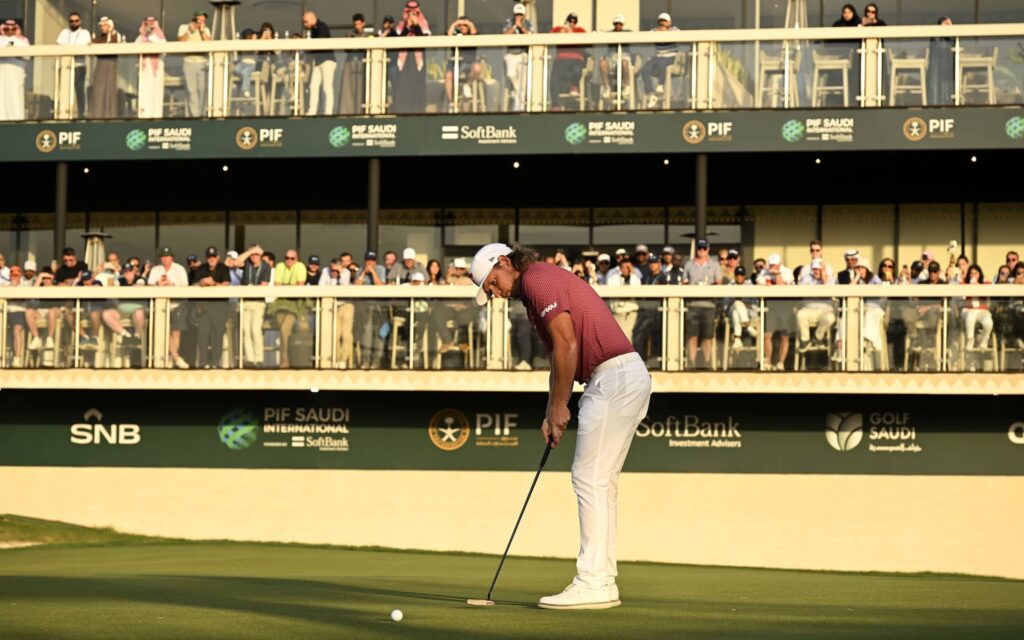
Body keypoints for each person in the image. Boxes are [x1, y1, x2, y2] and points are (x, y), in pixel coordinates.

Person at [470, 242, 651, 610]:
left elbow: (568, 344)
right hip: (618, 378)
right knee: (600, 483)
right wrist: (551, 410)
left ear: (504, 262)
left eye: (491, 283)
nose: (494, 293)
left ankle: (593, 582)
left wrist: (559, 406)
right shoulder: (533, 292)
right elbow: (558, 356)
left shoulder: (537, 278)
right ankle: (602, 580)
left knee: (589, 479)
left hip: (613, 378)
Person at [147, 246, 191, 368]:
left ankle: (171, 360)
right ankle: (176, 358)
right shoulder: (155, 270)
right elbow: (149, 287)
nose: (165, 259)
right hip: (160, 307)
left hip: (177, 304)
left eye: (167, 256)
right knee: (164, 331)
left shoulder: (179, 269)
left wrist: (172, 285)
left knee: (175, 333)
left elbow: (185, 287)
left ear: (172, 257)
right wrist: (158, 284)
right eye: (163, 257)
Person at [682, 238, 722, 369]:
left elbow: (719, 283)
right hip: (692, 304)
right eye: (699, 248)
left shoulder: (715, 265)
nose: (702, 250)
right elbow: (683, 283)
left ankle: (706, 363)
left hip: (709, 305)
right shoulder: (688, 265)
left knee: (707, 336)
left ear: (708, 249)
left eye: (704, 248)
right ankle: (691, 363)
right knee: (692, 335)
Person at [191, 246, 231, 368]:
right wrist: (202, 283)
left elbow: (227, 284)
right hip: (204, 307)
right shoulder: (202, 268)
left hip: (220, 307)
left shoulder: (223, 268)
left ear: (218, 257)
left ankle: (215, 362)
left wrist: (213, 284)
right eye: (209, 256)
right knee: (203, 335)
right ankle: (203, 362)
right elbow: (193, 285)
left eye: (214, 256)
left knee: (217, 335)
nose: (211, 259)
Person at [393, 1, 431, 114]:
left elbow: (424, 39)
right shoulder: (401, 25)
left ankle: (417, 112)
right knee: (403, 86)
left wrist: (416, 26)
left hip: (417, 60)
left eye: (414, 13)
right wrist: (407, 27)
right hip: (404, 60)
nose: (412, 15)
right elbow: (398, 39)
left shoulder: (423, 23)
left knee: (417, 86)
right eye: (409, 13)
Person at [239, 245, 272, 367]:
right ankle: (249, 359)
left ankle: (258, 359)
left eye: (256, 254)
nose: (253, 257)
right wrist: (250, 251)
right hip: (245, 302)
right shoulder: (247, 264)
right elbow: (236, 262)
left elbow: (264, 285)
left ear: (261, 255)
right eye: (252, 254)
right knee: (246, 331)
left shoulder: (266, 267)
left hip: (258, 302)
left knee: (255, 330)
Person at [56, 12, 91, 118]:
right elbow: (58, 46)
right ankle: (63, 114)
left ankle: (81, 114)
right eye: (71, 21)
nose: (74, 23)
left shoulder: (85, 33)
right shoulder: (64, 32)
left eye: (76, 21)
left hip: (79, 66)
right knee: (64, 91)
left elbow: (85, 47)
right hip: (65, 67)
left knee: (79, 91)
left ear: (80, 21)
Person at [177, 11, 211, 118]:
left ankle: (202, 113)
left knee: (202, 89)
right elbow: (180, 42)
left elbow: (210, 44)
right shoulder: (184, 27)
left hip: (202, 62)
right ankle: (194, 115)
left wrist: (202, 32)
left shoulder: (206, 30)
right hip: (189, 61)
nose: (201, 22)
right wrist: (189, 31)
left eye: (203, 20)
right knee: (191, 89)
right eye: (199, 19)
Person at [549, 13, 587, 110]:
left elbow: (584, 39)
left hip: (576, 59)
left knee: (577, 69)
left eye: (574, 22)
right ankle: (556, 105)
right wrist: (562, 32)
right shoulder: (558, 29)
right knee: (554, 79)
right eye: (570, 21)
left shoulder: (580, 30)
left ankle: (574, 85)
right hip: (561, 60)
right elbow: (550, 36)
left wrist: (570, 32)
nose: (572, 23)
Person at [89, 17, 124, 119]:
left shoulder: (116, 35)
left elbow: (116, 46)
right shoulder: (100, 37)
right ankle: (97, 115)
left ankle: (110, 115)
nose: (102, 28)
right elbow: (93, 46)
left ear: (110, 26)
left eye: (104, 25)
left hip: (111, 64)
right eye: (101, 26)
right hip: (101, 65)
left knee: (110, 91)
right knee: (98, 90)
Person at [303, 11, 336, 116]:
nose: (305, 24)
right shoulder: (312, 30)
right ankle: (312, 111)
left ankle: (328, 112)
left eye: (306, 21)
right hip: (318, 62)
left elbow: (320, 43)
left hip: (327, 61)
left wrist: (309, 50)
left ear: (311, 18)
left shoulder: (322, 27)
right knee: (313, 86)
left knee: (327, 87)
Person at [643, 13, 679, 109]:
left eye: (664, 21)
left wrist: (665, 33)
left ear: (669, 22)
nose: (662, 23)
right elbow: (645, 36)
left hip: (670, 57)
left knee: (662, 62)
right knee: (646, 69)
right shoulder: (654, 31)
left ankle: (660, 85)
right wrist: (659, 32)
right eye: (660, 21)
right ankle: (651, 92)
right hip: (658, 57)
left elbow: (682, 35)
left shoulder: (674, 30)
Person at [445, 16, 481, 108]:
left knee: (477, 68)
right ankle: (451, 102)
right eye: (460, 25)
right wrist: (455, 23)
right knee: (448, 76)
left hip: (469, 62)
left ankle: (467, 85)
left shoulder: (472, 33)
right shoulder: (456, 34)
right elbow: (448, 35)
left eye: (465, 25)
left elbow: (475, 34)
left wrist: (469, 23)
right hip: (455, 62)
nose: (463, 27)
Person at [339, 14, 371, 114]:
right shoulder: (349, 35)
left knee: (361, 90)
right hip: (350, 63)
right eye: (355, 24)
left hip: (363, 64)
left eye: (359, 24)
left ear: (363, 23)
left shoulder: (368, 36)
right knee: (348, 90)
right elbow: (346, 48)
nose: (357, 26)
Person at [503, 4, 532, 112]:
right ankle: (516, 91)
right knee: (510, 74)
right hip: (511, 54)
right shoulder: (509, 22)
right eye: (517, 14)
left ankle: (519, 107)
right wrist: (515, 26)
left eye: (520, 14)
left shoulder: (528, 23)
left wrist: (521, 27)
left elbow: (531, 36)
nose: (518, 16)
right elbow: (504, 35)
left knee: (522, 82)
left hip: (523, 54)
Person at [136, 17, 166, 119]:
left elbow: (163, 48)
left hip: (157, 69)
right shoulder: (140, 37)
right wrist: (145, 35)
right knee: (145, 92)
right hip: (145, 67)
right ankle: (144, 116)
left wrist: (151, 35)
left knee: (156, 93)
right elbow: (135, 46)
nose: (149, 25)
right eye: (147, 23)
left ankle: (156, 116)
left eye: (151, 23)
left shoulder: (159, 36)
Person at [0, 19, 29, 121]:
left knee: (15, 96)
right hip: (2, 73)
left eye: (13, 29)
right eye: (7, 29)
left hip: (15, 73)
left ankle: (17, 119)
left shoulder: (23, 40)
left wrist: (10, 48)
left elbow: (27, 55)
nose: (10, 31)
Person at [928, 17, 955, 106]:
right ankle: (934, 104)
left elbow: (953, 43)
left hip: (947, 66)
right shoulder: (936, 37)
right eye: (946, 24)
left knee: (946, 84)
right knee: (935, 83)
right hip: (936, 64)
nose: (948, 27)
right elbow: (936, 44)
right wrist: (941, 30)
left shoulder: (950, 39)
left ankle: (946, 103)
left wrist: (950, 30)